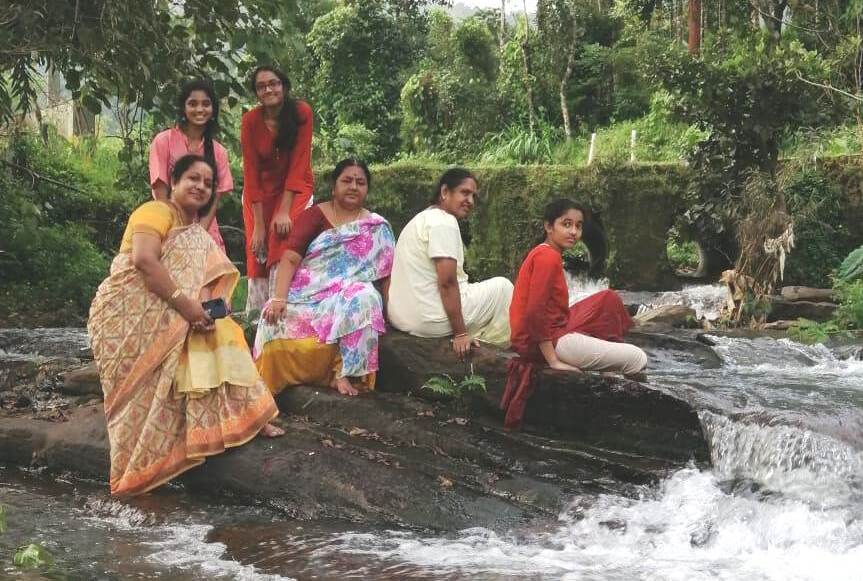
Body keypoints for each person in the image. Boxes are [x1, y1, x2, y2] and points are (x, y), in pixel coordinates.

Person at [88, 154, 283, 497]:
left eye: (208, 183)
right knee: (201, 335)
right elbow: (144, 261)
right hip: (127, 313)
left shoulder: (195, 233)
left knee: (223, 331)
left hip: (173, 311)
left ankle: (244, 419)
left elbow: (205, 280)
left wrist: (204, 308)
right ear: (174, 182)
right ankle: (150, 457)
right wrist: (188, 307)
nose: (201, 187)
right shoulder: (155, 211)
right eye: (193, 178)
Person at [501, 198, 647, 430]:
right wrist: (553, 361)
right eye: (566, 224)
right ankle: (635, 413)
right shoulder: (548, 258)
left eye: (578, 226)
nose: (574, 232)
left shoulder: (543, 253)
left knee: (606, 299)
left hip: (543, 336)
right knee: (638, 358)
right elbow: (534, 313)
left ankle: (608, 380)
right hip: (545, 343)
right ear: (549, 226)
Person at [254, 159, 395, 397]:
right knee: (271, 320)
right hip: (308, 296)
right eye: (347, 180)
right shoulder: (315, 215)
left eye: (360, 182)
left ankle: (343, 372)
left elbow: (386, 275)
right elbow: (290, 259)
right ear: (334, 187)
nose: (353, 186)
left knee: (367, 298)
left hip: (349, 299)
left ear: (367, 190)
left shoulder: (376, 227)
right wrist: (279, 298)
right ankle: (268, 388)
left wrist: (390, 315)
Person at [388, 168, 513, 358]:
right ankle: (495, 349)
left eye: (473, 196)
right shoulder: (443, 222)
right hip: (428, 320)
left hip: (401, 318)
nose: (470, 201)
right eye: (465, 193)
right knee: (503, 288)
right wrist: (460, 333)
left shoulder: (420, 218)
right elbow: (447, 282)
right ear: (445, 192)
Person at [241, 65, 314, 312]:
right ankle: (255, 317)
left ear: (283, 86)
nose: (268, 90)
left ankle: (281, 308)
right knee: (257, 248)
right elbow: (251, 172)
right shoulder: (250, 120)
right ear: (256, 93)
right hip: (259, 195)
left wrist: (283, 211)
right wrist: (259, 225)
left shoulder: (302, 112)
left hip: (295, 189)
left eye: (273, 83)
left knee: (282, 239)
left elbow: (299, 164)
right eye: (261, 86)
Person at [149, 78, 233, 253]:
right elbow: (159, 189)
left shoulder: (219, 152)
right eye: (193, 104)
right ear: (183, 108)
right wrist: (174, 229)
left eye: (206, 104)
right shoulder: (164, 141)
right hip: (168, 228)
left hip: (205, 233)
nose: (200, 109)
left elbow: (214, 199)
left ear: (213, 109)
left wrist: (197, 235)